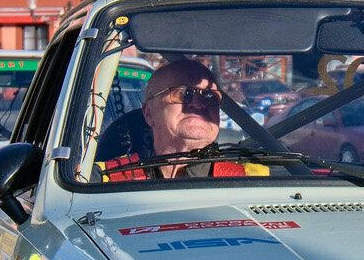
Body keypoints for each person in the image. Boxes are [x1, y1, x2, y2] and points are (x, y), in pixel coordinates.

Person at [98, 59, 266, 180]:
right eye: (183, 93)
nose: (198, 104)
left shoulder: (256, 180)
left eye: (209, 96)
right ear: (149, 113)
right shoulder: (102, 180)